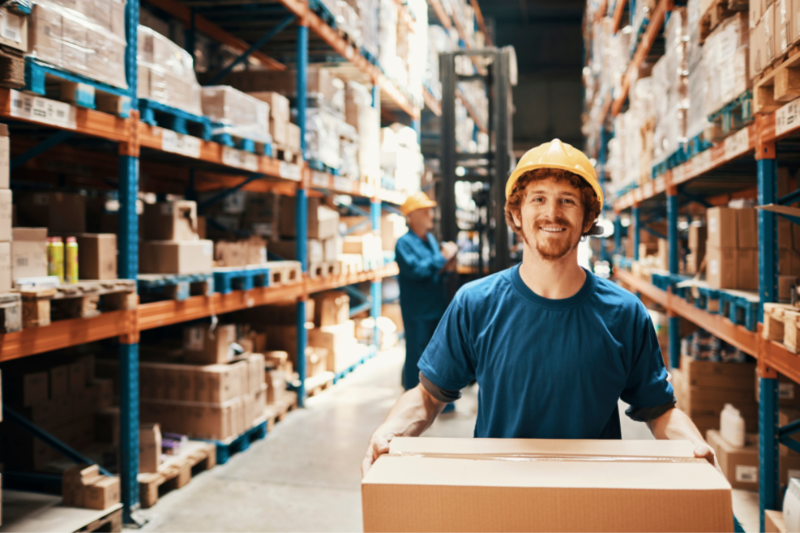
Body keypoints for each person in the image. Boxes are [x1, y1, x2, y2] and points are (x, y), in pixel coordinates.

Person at [362, 139, 713, 476]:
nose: (552, 213)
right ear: (516, 213)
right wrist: (390, 429)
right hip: (501, 498)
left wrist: (694, 446)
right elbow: (428, 396)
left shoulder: (624, 313)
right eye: (538, 199)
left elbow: (659, 409)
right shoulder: (476, 303)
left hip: (594, 500)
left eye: (568, 201)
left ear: (588, 219)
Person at [395, 192, 458, 398]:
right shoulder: (403, 244)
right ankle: (414, 399)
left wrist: (446, 266)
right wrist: (442, 257)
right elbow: (417, 271)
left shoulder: (430, 239)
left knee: (439, 355)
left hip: (436, 306)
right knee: (416, 354)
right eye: (425, 211)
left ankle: (440, 400)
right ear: (412, 216)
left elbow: (433, 269)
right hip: (417, 311)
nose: (431, 215)